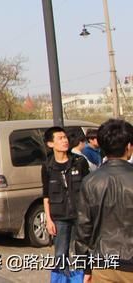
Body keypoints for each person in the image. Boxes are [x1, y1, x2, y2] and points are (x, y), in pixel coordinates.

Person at [75, 119, 133, 282]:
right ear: (128, 146)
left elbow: (83, 228)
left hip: (103, 262)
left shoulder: (90, 181)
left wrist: (84, 267)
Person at [41, 126, 90, 271]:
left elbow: (88, 190)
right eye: (60, 138)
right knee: (61, 254)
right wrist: (49, 220)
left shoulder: (79, 162)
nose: (65, 141)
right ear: (50, 144)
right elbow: (46, 195)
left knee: (81, 254)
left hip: (80, 216)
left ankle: (82, 279)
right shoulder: (47, 166)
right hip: (59, 217)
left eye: (65, 138)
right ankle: (62, 279)